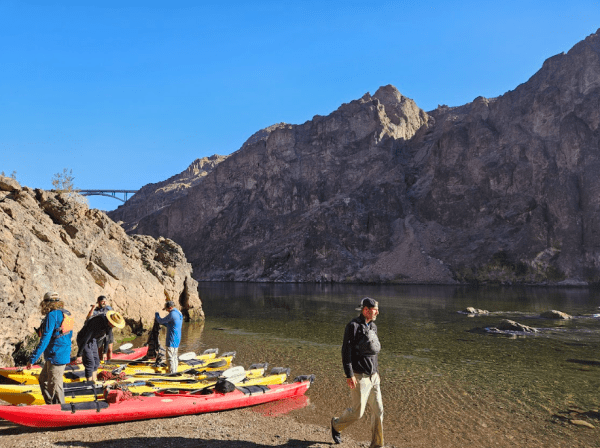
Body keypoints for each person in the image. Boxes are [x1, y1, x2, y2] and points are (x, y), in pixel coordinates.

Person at [331, 297, 384, 448]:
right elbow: (345, 352)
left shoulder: (373, 327)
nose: (377, 313)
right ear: (366, 310)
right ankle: (336, 425)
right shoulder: (352, 326)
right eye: (375, 310)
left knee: (379, 411)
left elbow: (373, 354)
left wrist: (376, 372)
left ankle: (377, 445)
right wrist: (349, 375)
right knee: (357, 413)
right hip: (359, 376)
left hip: (373, 377)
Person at [26, 291, 73, 404]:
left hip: (56, 354)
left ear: (46, 303)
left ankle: (60, 410)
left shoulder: (51, 315)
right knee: (43, 380)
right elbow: (69, 334)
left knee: (55, 385)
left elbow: (45, 339)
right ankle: (50, 404)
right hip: (60, 353)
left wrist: (33, 359)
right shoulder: (67, 313)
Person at [76, 310, 125, 381]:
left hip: (93, 339)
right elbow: (86, 337)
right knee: (90, 363)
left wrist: (104, 352)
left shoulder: (109, 325)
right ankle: (89, 384)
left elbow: (107, 338)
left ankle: (94, 380)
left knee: (96, 362)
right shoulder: (97, 321)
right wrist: (79, 355)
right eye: (113, 324)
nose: (113, 326)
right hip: (84, 339)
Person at [155, 300, 183, 374]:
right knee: (174, 356)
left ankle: (172, 374)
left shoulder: (172, 314)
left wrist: (156, 315)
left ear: (169, 308)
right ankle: (174, 370)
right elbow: (173, 325)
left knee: (170, 357)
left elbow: (160, 320)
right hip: (177, 338)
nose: (167, 311)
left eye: (167, 309)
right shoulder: (179, 313)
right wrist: (166, 324)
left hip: (171, 338)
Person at [86, 295, 114, 361]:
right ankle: (100, 363)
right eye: (102, 301)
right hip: (99, 332)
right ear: (98, 302)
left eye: (105, 301)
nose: (104, 303)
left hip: (108, 330)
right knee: (99, 350)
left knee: (109, 349)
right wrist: (92, 308)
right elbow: (88, 317)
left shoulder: (108, 308)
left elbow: (114, 315)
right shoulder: (95, 310)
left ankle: (110, 362)